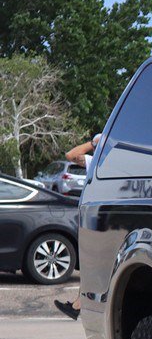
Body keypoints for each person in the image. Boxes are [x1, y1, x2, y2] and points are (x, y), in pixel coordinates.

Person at [52, 132, 103, 321]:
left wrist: (92, 143)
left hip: (99, 219)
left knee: (93, 263)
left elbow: (71, 155)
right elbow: (70, 156)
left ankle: (80, 305)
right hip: (96, 217)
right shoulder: (99, 161)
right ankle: (78, 304)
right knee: (93, 263)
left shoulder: (99, 161)